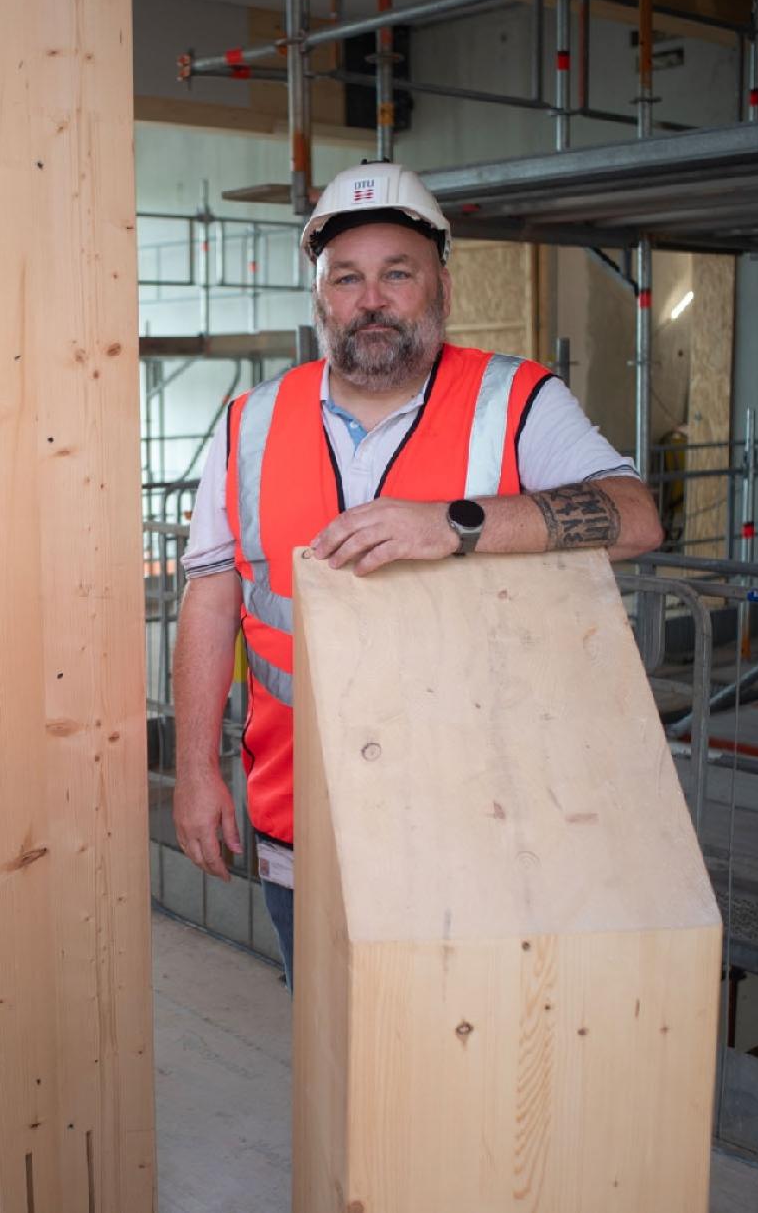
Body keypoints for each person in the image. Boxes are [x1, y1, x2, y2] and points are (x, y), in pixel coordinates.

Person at [171, 161, 662, 977]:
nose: (371, 299)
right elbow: (211, 596)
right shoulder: (247, 423)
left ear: (441, 287)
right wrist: (194, 771)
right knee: (338, 1071)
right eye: (347, 278)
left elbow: (636, 516)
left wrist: (455, 523)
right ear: (321, 297)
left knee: (468, 1060)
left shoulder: (517, 400)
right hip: (303, 821)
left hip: (482, 816)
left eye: (397, 274)